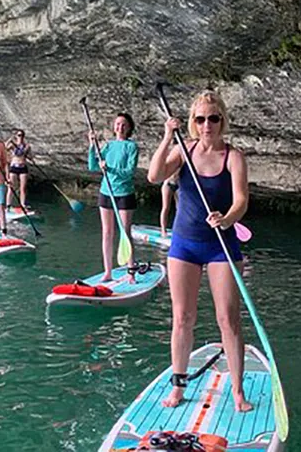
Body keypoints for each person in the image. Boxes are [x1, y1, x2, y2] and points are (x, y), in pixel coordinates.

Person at [147, 90, 252, 413]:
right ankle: (179, 386)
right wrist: (167, 137)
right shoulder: (184, 150)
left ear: (222, 120)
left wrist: (227, 219)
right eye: (200, 119)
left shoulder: (234, 157)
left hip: (221, 244)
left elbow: (241, 201)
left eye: (214, 118)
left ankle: (237, 391)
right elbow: (154, 176)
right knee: (182, 318)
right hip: (184, 245)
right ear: (193, 123)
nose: (207, 125)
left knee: (228, 319)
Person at [87, 112, 139, 282]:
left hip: (124, 193)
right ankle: (108, 272)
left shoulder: (132, 147)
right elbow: (93, 166)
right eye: (117, 124)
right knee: (107, 232)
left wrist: (109, 168)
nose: (120, 127)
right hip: (106, 192)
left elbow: (129, 172)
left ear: (129, 128)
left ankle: (131, 271)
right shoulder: (108, 146)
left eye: (124, 124)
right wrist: (92, 146)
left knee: (125, 232)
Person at [5, 129, 32, 210]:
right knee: (11, 187)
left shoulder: (27, 146)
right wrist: (10, 140)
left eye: (22, 135)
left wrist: (27, 155)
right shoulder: (13, 145)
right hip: (14, 167)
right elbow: (5, 147)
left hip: (23, 167)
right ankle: (8, 205)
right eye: (19, 135)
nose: (21, 137)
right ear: (16, 136)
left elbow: (30, 156)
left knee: (22, 188)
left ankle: (23, 205)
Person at [159, 173, 179, 239]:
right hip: (168, 183)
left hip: (179, 185)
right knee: (165, 207)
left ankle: (177, 230)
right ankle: (163, 230)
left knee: (179, 209)